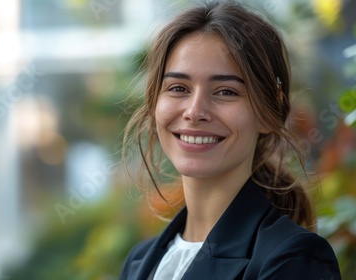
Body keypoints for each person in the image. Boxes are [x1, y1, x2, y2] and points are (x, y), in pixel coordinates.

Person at [119, 1, 341, 279]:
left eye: (226, 92)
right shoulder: (139, 262)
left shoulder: (293, 258)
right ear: (154, 103)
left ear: (268, 113)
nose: (194, 112)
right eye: (178, 88)